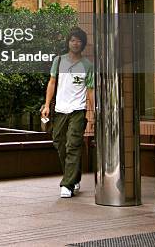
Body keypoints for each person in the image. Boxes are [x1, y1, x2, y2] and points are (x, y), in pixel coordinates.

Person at [41, 27, 94, 198]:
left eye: (78, 40)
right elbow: (52, 83)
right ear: (68, 42)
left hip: (78, 110)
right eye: (72, 40)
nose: (75, 43)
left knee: (73, 144)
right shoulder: (59, 61)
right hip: (60, 110)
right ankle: (74, 176)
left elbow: (90, 90)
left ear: (82, 43)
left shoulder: (88, 65)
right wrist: (47, 105)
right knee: (60, 143)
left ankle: (67, 184)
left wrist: (91, 113)